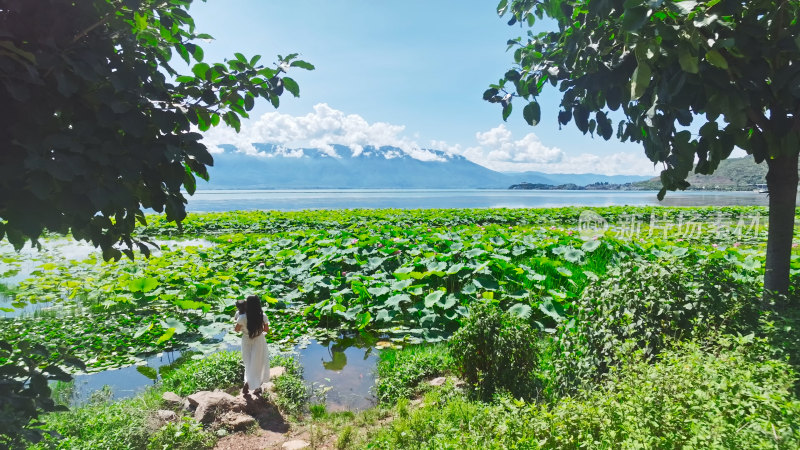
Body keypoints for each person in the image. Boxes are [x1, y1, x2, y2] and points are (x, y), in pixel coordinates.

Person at [234, 295, 270, 395]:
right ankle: (256, 387)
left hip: (246, 340)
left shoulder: (242, 317)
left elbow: (236, 330)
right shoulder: (263, 316)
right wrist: (257, 331)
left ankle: (247, 382)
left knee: (248, 362)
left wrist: (244, 328)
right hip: (259, 340)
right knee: (257, 363)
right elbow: (266, 330)